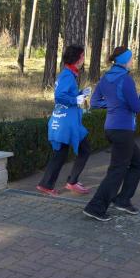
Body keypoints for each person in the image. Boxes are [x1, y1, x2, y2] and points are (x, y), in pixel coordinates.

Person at [84, 47, 140, 222]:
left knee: (138, 162)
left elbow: (95, 102)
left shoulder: (105, 77)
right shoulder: (126, 79)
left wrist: (114, 104)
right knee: (117, 170)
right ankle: (96, 207)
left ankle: (123, 199)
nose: (132, 61)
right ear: (125, 61)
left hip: (111, 128)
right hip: (123, 130)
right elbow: (137, 107)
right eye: (131, 58)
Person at [37, 45, 92, 196]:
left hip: (62, 121)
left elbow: (65, 94)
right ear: (77, 58)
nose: (83, 59)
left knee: (60, 153)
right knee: (85, 149)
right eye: (82, 56)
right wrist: (75, 99)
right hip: (67, 123)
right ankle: (71, 182)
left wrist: (80, 93)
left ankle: (46, 184)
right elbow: (59, 96)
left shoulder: (68, 73)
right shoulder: (68, 75)